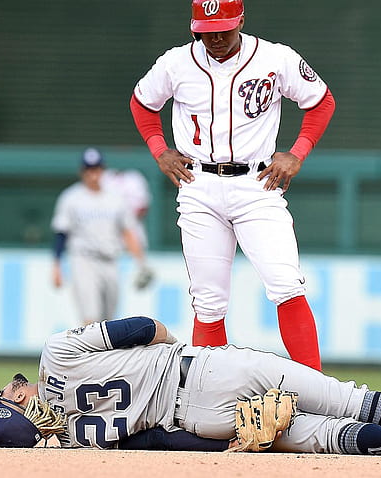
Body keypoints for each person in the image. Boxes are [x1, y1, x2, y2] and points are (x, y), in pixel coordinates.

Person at [0, 315, 381, 458]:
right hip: (204, 370)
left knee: (322, 437)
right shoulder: (56, 352)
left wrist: (230, 442)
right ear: (19, 402)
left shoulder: (79, 442)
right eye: (3, 396)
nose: (6, 388)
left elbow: (161, 445)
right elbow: (144, 328)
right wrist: (169, 351)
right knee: (344, 396)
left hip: (201, 424)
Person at [129, 0, 335, 370]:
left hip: (257, 185)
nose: (215, 38)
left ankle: (317, 391)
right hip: (198, 185)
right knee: (208, 301)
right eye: (206, 31)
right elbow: (142, 102)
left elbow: (320, 102)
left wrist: (298, 152)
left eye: (223, 28)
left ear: (241, 20)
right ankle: (209, 400)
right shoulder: (176, 62)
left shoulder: (275, 58)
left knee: (286, 284)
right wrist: (159, 150)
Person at [50, 148, 154, 325]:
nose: (93, 174)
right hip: (83, 259)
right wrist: (57, 265)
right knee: (90, 317)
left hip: (110, 259)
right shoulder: (71, 197)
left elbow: (128, 231)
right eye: (89, 169)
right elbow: (61, 233)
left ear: (103, 170)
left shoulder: (115, 198)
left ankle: (102, 353)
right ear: (82, 172)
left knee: (108, 321)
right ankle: (89, 352)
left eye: (97, 169)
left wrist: (141, 262)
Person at [101, 168, 152, 249]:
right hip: (108, 236)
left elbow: (143, 207)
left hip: (134, 232)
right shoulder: (104, 177)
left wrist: (125, 219)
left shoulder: (135, 178)